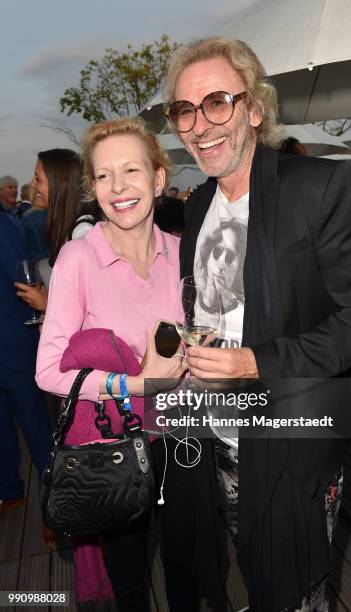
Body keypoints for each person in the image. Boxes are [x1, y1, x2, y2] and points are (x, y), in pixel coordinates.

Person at [161, 36, 351, 612]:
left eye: (217, 102)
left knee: (297, 581)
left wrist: (254, 361)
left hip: (293, 429)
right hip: (216, 430)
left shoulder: (316, 187)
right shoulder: (196, 208)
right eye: (184, 110)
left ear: (255, 110)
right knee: (251, 559)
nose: (199, 124)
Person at [36, 117, 186, 612]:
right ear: (92, 187)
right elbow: (49, 371)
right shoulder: (78, 258)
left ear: (159, 178)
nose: (118, 188)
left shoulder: (183, 254)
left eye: (131, 171)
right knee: (129, 584)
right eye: (103, 176)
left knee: (191, 569)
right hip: (116, 448)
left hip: (186, 440)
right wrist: (134, 383)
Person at [0, 208, 52, 515]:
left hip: (11, 342)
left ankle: (58, 503)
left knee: (34, 423)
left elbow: (23, 276)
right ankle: (8, 490)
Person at [15, 148, 100, 307]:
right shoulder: (68, 227)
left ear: (58, 184)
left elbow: (97, 302)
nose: (32, 184)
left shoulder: (84, 233)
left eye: (38, 178)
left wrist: (48, 304)